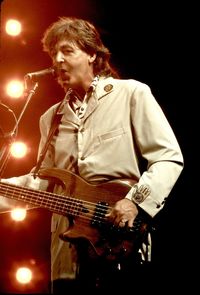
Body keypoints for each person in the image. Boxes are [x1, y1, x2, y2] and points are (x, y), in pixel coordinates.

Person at [0, 16, 183, 292]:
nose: (58, 60)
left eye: (67, 51)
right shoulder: (50, 118)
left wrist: (135, 203)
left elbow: (168, 157)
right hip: (66, 248)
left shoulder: (132, 94)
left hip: (120, 238)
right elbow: (43, 181)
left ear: (92, 54)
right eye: (53, 54)